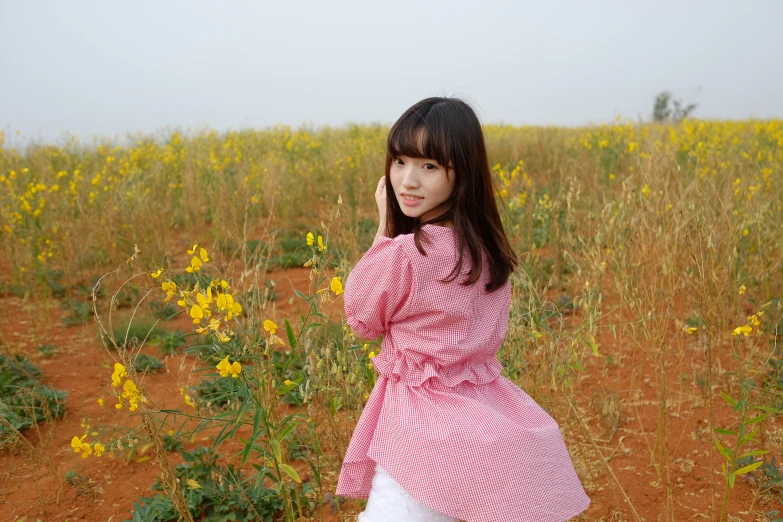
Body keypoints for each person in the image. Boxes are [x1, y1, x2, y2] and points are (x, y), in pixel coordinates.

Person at [335, 97, 591, 522]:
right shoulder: (487, 251)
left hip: (419, 439)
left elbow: (361, 318)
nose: (407, 181)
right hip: (481, 428)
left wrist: (383, 230)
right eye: (399, 161)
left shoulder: (409, 253)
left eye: (429, 166)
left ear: (462, 172)